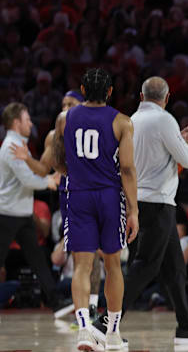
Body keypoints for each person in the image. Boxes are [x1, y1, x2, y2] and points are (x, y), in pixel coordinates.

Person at [91, 77, 188, 345]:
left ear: (141, 97)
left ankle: (186, 324)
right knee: (145, 266)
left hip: (136, 201)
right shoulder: (165, 119)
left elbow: (152, 155)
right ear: (166, 98)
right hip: (158, 203)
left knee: (174, 267)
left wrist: (181, 139)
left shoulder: (132, 120)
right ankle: (106, 320)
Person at [53, 68, 140, 350]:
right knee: (113, 264)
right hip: (108, 196)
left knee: (82, 265)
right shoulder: (123, 122)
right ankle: (112, 332)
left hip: (77, 194)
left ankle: (83, 330)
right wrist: (134, 210)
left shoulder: (65, 119)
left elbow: (58, 160)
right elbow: (126, 169)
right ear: (111, 92)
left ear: (82, 89)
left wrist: (78, 173)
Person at [11, 90, 105, 319]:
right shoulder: (54, 136)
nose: (65, 107)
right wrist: (27, 159)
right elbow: (43, 169)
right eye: (63, 103)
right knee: (78, 255)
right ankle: (83, 309)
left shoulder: (97, 131)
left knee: (94, 253)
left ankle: (93, 305)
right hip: (67, 197)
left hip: (93, 194)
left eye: (70, 103)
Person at [0, 102, 68, 318]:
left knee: (39, 261)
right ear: (16, 122)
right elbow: (27, 179)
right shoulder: (12, 145)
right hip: (7, 214)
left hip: (21, 213)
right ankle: (56, 301)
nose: (31, 123)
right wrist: (49, 181)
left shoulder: (20, 144)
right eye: (27, 119)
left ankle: (56, 302)